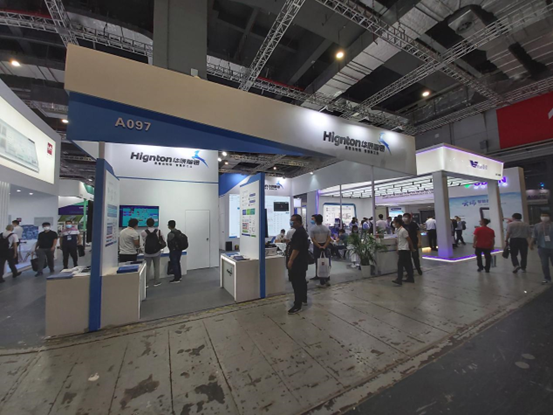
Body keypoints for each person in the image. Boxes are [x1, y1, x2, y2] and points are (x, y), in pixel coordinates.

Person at [286, 214, 309, 314]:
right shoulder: (300, 231)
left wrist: (291, 260)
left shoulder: (299, 233)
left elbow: (296, 248)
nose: (291, 223)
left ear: (298, 222)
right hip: (301, 262)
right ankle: (303, 298)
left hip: (298, 262)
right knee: (302, 281)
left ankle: (297, 304)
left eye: (293, 221)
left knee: (297, 283)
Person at [141, 218, 165, 287]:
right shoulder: (158, 231)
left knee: (147, 267)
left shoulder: (143, 232)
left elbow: (142, 242)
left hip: (147, 252)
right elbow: (163, 240)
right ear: (154, 223)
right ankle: (156, 282)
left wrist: (143, 250)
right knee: (156, 267)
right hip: (156, 252)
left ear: (146, 224)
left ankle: (146, 283)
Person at [530, 213, 553, 284]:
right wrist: (530, 244)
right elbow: (534, 236)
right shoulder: (537, 226)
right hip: (542, 248)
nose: (544, 217)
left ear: (549, 217)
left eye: (546, 216)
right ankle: (547, 278)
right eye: (543, 216)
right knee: (544, 264)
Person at [309, 214, 332, 287]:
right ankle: (327, 279)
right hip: (325, 246)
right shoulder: (326, 229)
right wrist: (324, 246)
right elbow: (329, 239)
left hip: (317, 247)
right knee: (326, 262)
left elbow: (313, 239)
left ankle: (322, 281)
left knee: (319, 263)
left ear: (315, 220)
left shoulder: (313, 229)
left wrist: (319, 246)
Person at [392, 217, 415, 286]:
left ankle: (399, 279)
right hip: (401, 249)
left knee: (400, 265)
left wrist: (412, 248)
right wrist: (397, 248)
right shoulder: (398, 230)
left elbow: (409, 240)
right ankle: (410, 278)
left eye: (394, 222)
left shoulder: (403, 230)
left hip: (404, 250)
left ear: (398, 223)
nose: (394, 224)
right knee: (406, 265)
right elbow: (399, 240)